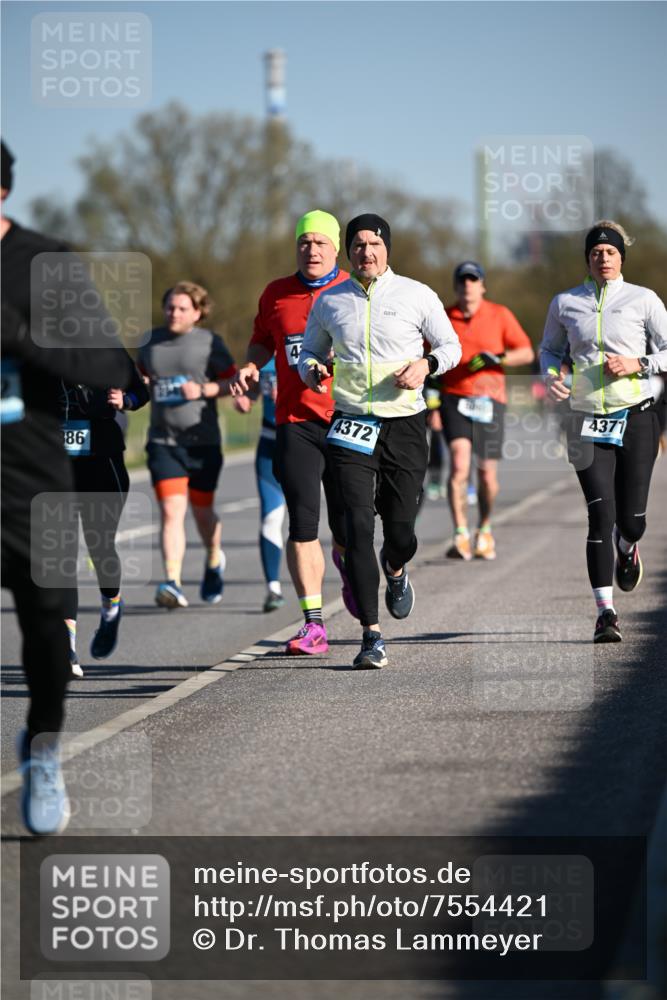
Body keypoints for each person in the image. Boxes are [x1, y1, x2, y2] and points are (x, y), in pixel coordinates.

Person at [1, 140, 134, 834]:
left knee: (49, 625)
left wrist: (19, 337)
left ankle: (44, 746)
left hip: (32, 473)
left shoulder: (44, 264)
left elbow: (107, 362)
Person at [299, 213, 461, 668]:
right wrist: (311, 369)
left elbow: (452, 347)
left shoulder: (417, 294)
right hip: (351, 423)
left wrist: (426, 365)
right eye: (357, 245)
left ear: (387, 248)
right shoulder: (331, 301)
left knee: (401, 531)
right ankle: (371, 635)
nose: (365, 252)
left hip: (404, 425)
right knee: (354, 528)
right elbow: (310, 352)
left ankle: (397, 568)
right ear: (347, 251)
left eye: (374, 244)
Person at [230, 210, 355, 655]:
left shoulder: (355, 291)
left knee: (347, 525)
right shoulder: (276, 294)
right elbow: (263, 339)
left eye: (321, 242)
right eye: (305, 242)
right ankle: (313, 624)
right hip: (295, 421)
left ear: (336, 248)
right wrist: (250, 363)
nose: (312, 249)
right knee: (302, 522)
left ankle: (346, 562)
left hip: (347, 418)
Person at [540, 220, 667, 643]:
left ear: (621, 258)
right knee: (600, 515)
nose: (603, 258)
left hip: (636, 415)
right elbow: (550, 350)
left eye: (610, 252)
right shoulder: (565, 303)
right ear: (587, 259)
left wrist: (639, 364)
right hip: (584, 419)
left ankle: (627, 547)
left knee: (631, 521)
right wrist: (552, 374)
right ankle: (605, 613)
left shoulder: (643, 300)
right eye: (596, 252)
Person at [138, 282, 237, 609]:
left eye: (182, 308)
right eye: (170, 307)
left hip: (202, 443)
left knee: (202, 513)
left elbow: (233, 383)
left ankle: (212, 557)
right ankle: (172, 581)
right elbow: (139, 379)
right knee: (171, 512)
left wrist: (205, 390)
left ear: (197, 312)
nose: (174, 313)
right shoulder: (150, 342)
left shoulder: (210, 343)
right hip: (163, 441)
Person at [440, 261, 534, 560]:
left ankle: (485, 528)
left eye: (473, 280)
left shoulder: (500, 314)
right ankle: (460, 534)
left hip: (490, 401)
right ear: (456, 287)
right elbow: (426, 357)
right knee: (458, 465)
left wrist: (498, 357)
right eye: (463, 280)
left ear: (482, 286)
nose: (468, 285)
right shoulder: (443, 317)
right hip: (453, 398)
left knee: (487, 474)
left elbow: (527, 352)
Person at [59, 370, 149, 677]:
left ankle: (111, 606)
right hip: (54, 461)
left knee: (99, 545)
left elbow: (140, 390)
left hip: (102, 458)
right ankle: (66, 649)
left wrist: (128, 399)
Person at [234, 356, 287, 612]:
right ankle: (273, 589)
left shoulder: (314, 339)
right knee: (271, 517)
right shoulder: (263, 353)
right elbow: (254, 386)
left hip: (306, 441)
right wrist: (248, 397)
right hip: (270, 442)